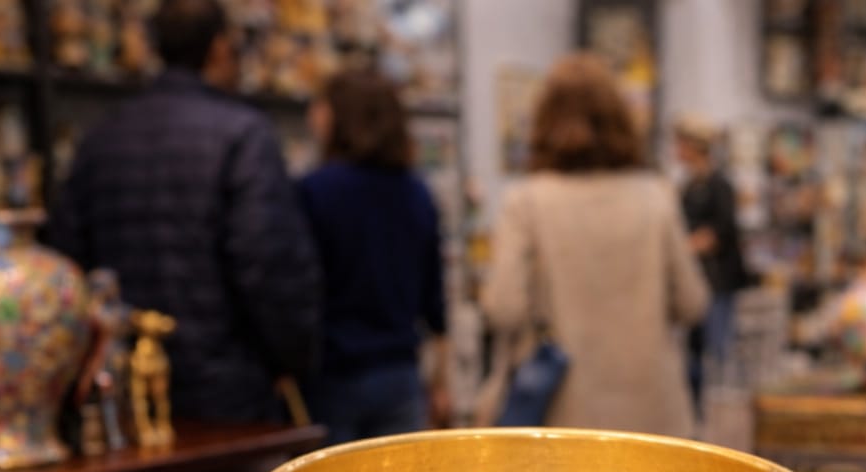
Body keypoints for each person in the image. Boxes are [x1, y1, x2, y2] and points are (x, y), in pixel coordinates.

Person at [50, 0, 322, 472]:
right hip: (227, 384)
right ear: (221, 50)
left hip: (130, 395)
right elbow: (268, 265)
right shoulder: (240, 133)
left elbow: (67, 265)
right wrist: (292, 358)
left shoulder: (102, 140)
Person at [477, 54, 708, 437]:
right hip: (654, 419)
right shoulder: (656, 195)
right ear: (619, 120)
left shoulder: (527, 201)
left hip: (563, 418)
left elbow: (505, 309)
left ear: (544, 120)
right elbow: (692, 302)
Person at [298, 69, 450, 443]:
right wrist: (441, 383)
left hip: (333, 375)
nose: (312, 116)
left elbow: (297, 290)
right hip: (400, 373)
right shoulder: (417, 193)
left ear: (341, 116)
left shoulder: (314, 191)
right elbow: (435, 304)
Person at [674, 114, 748, 414]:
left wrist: (685, 247)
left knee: (716, 353)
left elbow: (721, 231)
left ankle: (717, 416)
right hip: (696, 279)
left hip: (717, 281)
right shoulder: (688, 186)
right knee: (694, 353)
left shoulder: (719, 186)